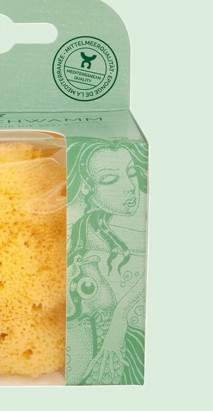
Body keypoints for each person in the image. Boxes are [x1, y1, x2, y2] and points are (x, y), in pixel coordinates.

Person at [66, 137, 148, 385]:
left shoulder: (140, 223)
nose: (130, 187)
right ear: (87, 187)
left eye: (131, 173)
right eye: (110, 179)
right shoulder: (85, 227)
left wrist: (118, 323)